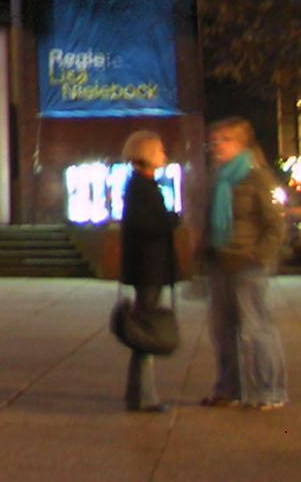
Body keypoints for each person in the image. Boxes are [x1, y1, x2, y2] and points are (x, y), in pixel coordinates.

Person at [201, 116, 287, 410]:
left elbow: (276, 225)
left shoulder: (257, 177)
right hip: (220, 262)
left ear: (241, 143)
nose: (216, 146)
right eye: (214, 141)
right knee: (222, 331)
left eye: (224, 140)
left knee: (257, 329)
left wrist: (259, 255)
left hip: (248, 266)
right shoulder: (219, 177)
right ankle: (228, 390)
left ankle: (269, 391)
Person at [119, 128, 180, 412]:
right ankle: (143, 396)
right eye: (159, 150)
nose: (164, 154)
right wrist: (170, 220)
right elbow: (144, 226)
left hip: (148, 267)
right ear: (145, 154)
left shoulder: (143, 185)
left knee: (146, 329)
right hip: (148, 268)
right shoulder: (141, 188)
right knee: (146, 332)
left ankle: (140, 394)